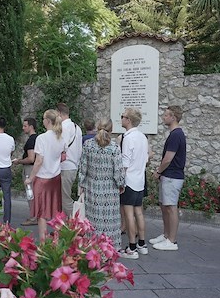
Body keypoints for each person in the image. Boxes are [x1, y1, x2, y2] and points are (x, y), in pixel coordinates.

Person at [78, 118, 124, 249]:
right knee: (109, 221)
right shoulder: (114, 147)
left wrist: (80, 186)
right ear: (111, 130)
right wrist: (121, 185)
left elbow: (83, 168)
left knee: (93, 220)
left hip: (92, 188)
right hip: (110, 190)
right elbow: (118, 171)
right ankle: (109, 248)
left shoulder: (88, 145)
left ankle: (92, 247)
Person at [25, 109, 66, 241]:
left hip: (42, 178)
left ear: (47, 121)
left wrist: (30, 178)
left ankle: (43, 241)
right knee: (55, 209)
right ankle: (57, 239)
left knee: (41, 212)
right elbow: (63, 157)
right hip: (56, 177)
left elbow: (39, 161)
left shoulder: (41, 138)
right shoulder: (61, 137)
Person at [150, 105, 186, 251]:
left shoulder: (176, 135)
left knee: (171, 207)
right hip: (168, 175)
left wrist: (158, 171)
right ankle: (166, 235)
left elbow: (168, 159)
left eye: (166, 115)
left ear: (173, 117)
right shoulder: (174, 134)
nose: (163, 117)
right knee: (164, 206)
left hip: (172, 176)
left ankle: (172, 240)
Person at [119, 108, 150, 259]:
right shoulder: (143, 137)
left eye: (123, 116)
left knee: (129, 214)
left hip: (129, 180)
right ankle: (142, 244)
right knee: (139, 212)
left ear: (128, 120)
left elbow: (125, 162)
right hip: (140, 179)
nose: (121, 119)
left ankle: (131, 247)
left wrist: (120, 181)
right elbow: (145, 159)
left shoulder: (128, 138)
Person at [57, 103, 82, 217]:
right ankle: (65, 226)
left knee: (65, 198)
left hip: (65, 166)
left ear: (59, 114)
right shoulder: (77, 128)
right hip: (74, 165)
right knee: (64, 196)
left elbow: (62, 146)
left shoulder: (63, 127)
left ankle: (74, 225)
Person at [13, 117, 38, 226]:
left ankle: (33, 217)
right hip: (36, 168)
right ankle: (36, 215)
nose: (23, 128)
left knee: (30, 192)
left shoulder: (31, 140)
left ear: (31, 127)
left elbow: (31, 158)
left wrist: (19, 161)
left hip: (29, 168)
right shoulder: (38, 138)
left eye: (25, 126)